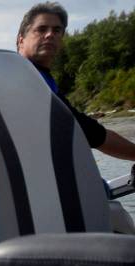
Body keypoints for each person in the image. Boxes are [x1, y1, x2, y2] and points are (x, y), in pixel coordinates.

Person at [16, 2, 135, 161]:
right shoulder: (23, 78)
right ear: (21, 40)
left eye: (57, 30)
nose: (50, 34)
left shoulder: (41, 78)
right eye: (41, 29)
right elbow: (91, 133)